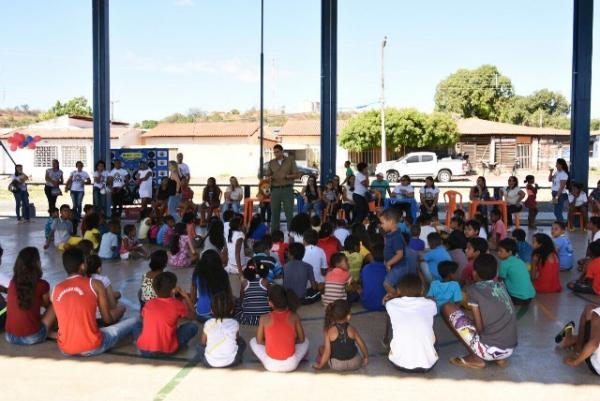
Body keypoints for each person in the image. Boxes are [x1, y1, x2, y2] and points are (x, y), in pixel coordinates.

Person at [52, 248, 139, 356]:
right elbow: (107, 319)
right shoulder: (95, 284)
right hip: (92, 346)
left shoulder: (56, 289)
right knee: (134, 320)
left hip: (65, 349)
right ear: (83, 266)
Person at [444, 254, 517, 369]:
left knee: (447, 307)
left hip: (489, 350)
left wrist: (469, 323)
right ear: (496, 273)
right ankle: (500, 359)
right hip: (510, 349)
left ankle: (475, 358)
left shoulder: (473, 290)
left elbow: (480, 328)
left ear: (474, 273)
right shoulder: (501, 286)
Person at [134, 271, 198, 357]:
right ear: (173, 290)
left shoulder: (149, 303)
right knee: (192, 326)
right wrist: (186, 296)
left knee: (137, 325)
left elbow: (144, 317)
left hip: (144, 350)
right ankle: (173, 345)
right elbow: (193, 316)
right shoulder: (176, 304)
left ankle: (144, 342)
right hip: (166, 351)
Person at [385, 273, 438, 372]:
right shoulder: (430, 304)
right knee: (428, 324)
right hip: (427, 365)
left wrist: (394, 297)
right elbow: (432, 305)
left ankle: (390, 345)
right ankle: (427, 351)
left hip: (399, 364)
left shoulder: (391, 304)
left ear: (399, 291)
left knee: (394, 321)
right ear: (422, 290)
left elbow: (386, 302)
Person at [250, 285, 309, 372]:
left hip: (271, 365)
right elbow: (302, 339)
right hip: (291, 364)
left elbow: (259, 341)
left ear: (270, 303)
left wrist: (271, 343)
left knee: (253, 341)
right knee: (306, 341)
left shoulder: (264, 318)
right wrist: (291, 341)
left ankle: (265, 357)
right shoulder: (294, 316)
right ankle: (300, 356)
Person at [5, 247, 55, 345]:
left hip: (9, 336)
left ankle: (46, 332)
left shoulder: (13, 283)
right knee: (55, 304)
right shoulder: (42, 285)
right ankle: (49, 332)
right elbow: (46, 305)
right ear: (37, 264)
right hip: (31, 338)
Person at [313, 300, 369, 371]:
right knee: (356, 352)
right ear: (348, 316)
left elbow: (327, 352)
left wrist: (320, 366)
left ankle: (322, 361)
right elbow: (362, 344)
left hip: (337, 365)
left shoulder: (329, 331)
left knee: (321, 348)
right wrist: (366, 357)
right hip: (355, 363)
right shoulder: (352, 329)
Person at [199, 292, 246, 368]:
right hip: (232, 361)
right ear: (231, 310)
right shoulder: (234, 323)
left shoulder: (208, 323)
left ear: (212, 310)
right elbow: (237, 340)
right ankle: (238, 359)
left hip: (209, 362)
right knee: (242, 343)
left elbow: (203, 343)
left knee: (198, 346)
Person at [556, 304, 600, 376]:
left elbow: (594, 344)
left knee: (589, 309)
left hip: (597, 366)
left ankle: (577, 347)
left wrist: (575, 362)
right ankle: (572, 340)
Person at [265, 144, 300, 232]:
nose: (276, 154)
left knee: (289, 213)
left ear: (282, 151)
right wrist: (270, 178)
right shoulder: (271, 162)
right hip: (275, 190)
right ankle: (274, 235)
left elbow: (297, 174)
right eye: (274, 152)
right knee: (274, 213)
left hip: (287, 189)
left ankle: (291, 233)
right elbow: (267, 176)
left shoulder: (290, 161)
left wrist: (288, 176)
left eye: (277, 152)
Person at [190, 249, 232, 321]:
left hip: (201, 315)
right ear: (218, 261)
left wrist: (194, 306)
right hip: (220, 314)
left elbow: (193, 297)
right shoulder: (223, 274)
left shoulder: (197, 273)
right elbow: (229, 294)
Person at [380, 208, 411, 295]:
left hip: (400, 267)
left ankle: (399, 298)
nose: (381, 225)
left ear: (390, 222)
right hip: (396, 266)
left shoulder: (396, 237)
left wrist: (388, 263)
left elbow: (399, 254)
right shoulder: (391, 235)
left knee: (387, 284)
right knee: (396, 285)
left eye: (383, 223)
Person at [497, 238, 536, 305]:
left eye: (501, 251)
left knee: (496, 290)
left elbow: (500, 280)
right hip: (529, 297)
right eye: (498, 251)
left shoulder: (504, 263)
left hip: (517, 298)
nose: (498, 253)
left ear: (510, 252)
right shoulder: (520, 261)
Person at [235, 259, 270, 325]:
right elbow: (270, 299)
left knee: (236, 304)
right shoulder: (265, 282)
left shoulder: (244, 283)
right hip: (265, 319)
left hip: (248, 320)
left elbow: (241, 300)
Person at [359, 243, 387, 311]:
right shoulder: (388, 269)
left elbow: (362, 282)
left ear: (372, 255)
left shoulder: (366, 268)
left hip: (367, 304)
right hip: (384, 304)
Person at [549, 158, 570, 222]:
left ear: (561, 165)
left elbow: (562, 187)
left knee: (557, 212)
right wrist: (551, 172)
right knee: (556, 211)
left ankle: (561, 225)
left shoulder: (564, 174)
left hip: (560, 194)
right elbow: (550, 180)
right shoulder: (557, 172)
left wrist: (557, 197)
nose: (556, 165)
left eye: (557, 164)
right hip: (555, 193)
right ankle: (560, 224)